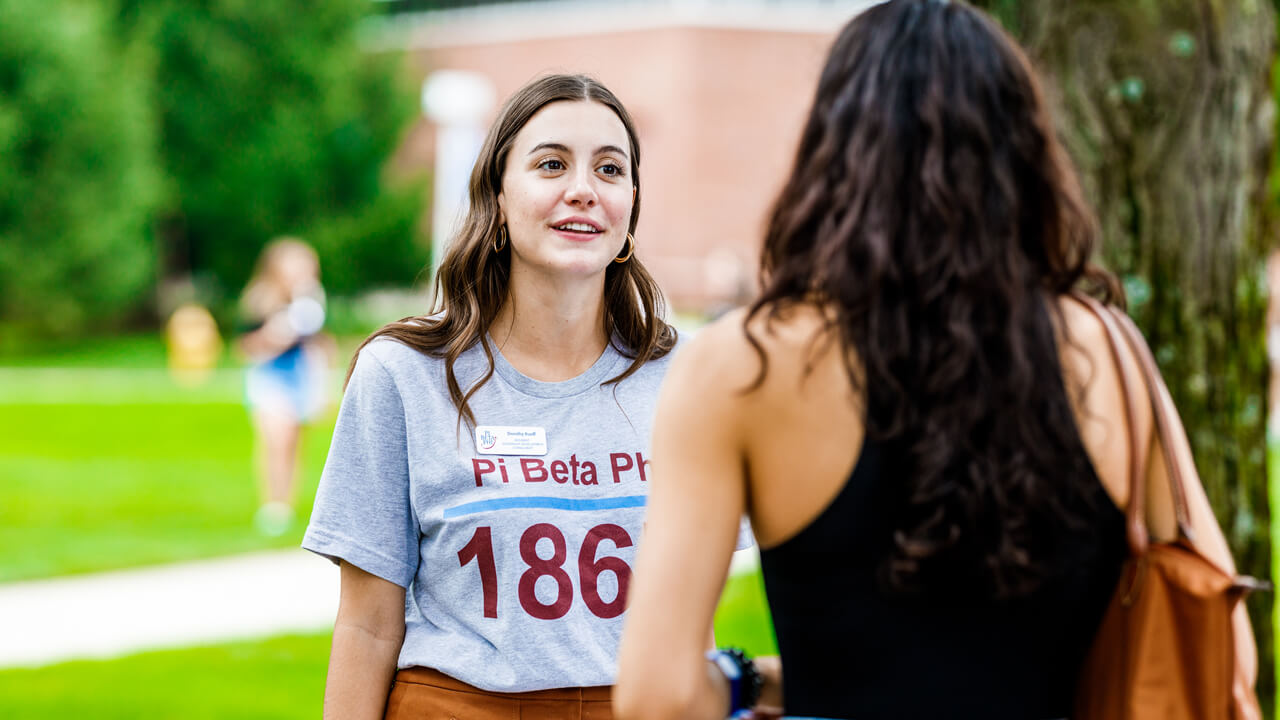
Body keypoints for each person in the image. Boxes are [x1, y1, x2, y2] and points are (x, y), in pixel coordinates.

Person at [614, 2, 1259, 719]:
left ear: (832, 150)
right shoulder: (1110, 356)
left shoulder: (744, 364)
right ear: (1023, 153)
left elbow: (658, 695)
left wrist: (747, 680)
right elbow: (1225, 637)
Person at [302, 74, 694, 720]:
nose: (583, 190)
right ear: (498, 200)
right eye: (550, 164)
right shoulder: (401, 375)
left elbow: (689, 622)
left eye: (609, 168)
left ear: (630, 212)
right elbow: (366, 627)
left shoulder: (682, 377)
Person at [239, 237, 332, 536]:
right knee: (276, 440)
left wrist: (323, 383)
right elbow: (245, 347)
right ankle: (272, 505)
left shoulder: (311, 302)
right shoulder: (259, 301)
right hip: (270, 377)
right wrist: (276, 335)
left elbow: (317, 343)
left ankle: (287, 505)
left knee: (293, 443)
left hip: (300, 377)